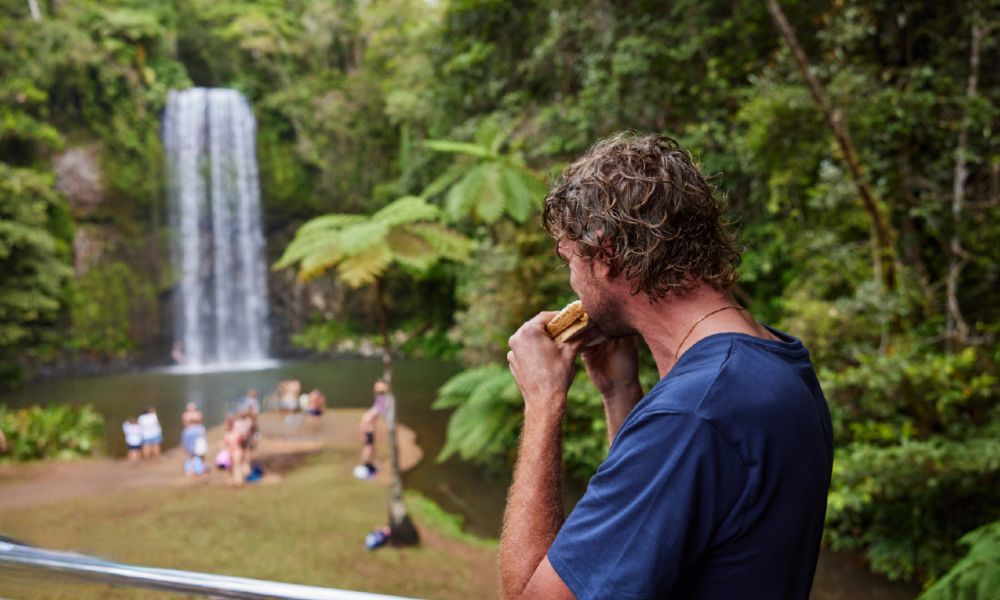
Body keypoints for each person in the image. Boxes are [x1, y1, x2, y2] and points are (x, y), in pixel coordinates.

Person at [501, 133, 833, 599]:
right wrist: (620, 394)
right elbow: (659, 538)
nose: (572, 281)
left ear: (607, 254)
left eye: (569, 260)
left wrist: (543, 400)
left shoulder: (695, 413)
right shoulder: (776, 361)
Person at [354, 380, 388, 479]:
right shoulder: (374, 410)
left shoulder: (378, 403)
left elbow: (380, 399)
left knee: (372, 448)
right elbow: (380, 404)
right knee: (368, 448)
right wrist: (363, 433)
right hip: (368, 430)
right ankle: (362, 465)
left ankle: (372, 464)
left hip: (369, 429)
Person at [181, 403, 206, 476]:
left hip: (197, 433)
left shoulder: (197, 414)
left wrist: (192, 422)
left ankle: (201, 469)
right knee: (190, 453)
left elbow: (200, 421)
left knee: (201, 453)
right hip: (190, 434)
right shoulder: (186, 415)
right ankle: (192, 469)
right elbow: (185, 423)